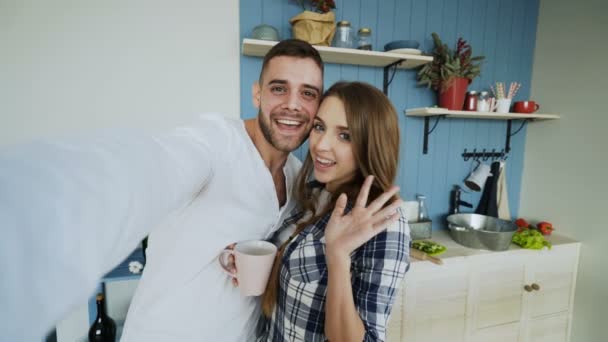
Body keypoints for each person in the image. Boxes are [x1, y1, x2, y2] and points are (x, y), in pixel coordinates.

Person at [0, 39, 327, 342]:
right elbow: (148, 169)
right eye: (279, 88)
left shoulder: (299, 179)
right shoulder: (214, 143)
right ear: (258, 94)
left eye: (308, 93)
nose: (293, 105)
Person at [257, 81, 411, 342]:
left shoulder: (384, 222)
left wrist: (337, 256)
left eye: (345, 136)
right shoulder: (315, 193)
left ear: (371, 145)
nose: (320, 145)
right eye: (319, 127)